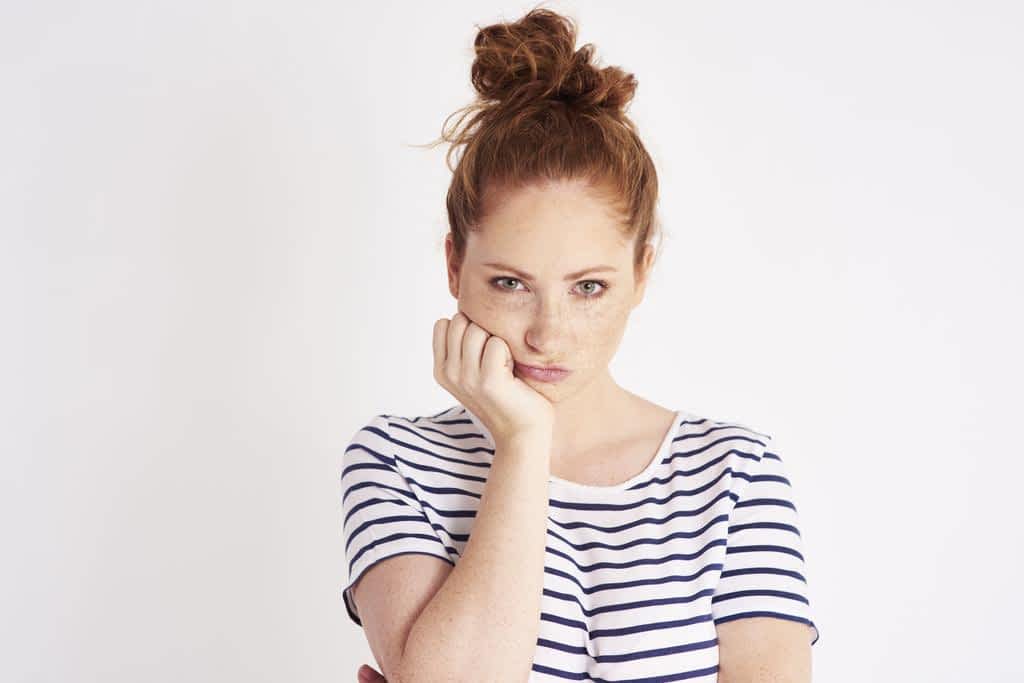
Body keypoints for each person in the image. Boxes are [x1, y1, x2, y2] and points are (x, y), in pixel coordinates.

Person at [340, 7, 819, 682]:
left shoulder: (734, 476)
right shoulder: (396, 462)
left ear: (641, 273)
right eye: (509, 282)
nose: (547, 331)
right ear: (454, 267)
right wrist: (524, 440)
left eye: (588, 287)